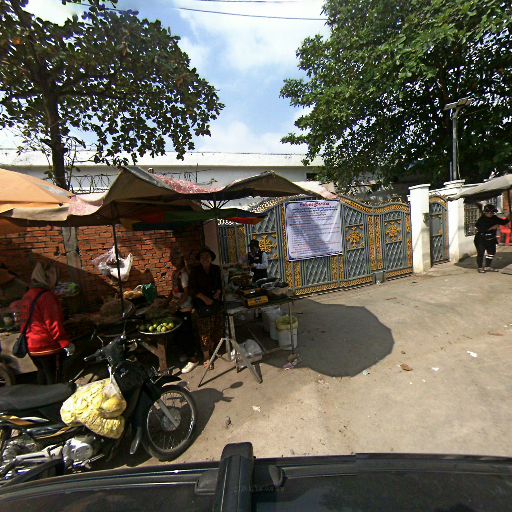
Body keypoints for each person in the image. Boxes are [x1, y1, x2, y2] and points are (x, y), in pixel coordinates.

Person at [19, 262, 74, 384]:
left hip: (31, 345)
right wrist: (65, 343)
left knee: (42, 373)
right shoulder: (47, 296)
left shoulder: (28, 294)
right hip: (47, 346)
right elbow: (53, 323)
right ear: (49, 277)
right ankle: (56, 396)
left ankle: (43, 395)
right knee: (54, 379)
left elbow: (23, 321)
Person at [189, 247, 224, 368]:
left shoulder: (216, 269)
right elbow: (192, 289)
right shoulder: (195, 271)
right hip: (201, 304)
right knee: (205, 331)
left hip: (215, 302)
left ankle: (214, 349)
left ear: (211, 258)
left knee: (217, 327)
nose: (205, 258)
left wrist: (218, 292)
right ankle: (206, 357)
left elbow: (220, 284)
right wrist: (204, 298)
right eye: (202, 257)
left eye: (207, 256)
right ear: (199, 259)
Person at [169, 254, 200, 374]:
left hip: (185, 307)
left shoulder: (184, 274)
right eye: (172, 259)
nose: (173, 261)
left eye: (175, 259)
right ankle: (185, 354)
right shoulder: (175, 273)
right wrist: (167, 302)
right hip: (177, 306)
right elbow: (173, 290)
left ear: (181, 260)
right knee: (180, 333)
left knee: (187, 334)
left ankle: (194, 359)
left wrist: (176, 305)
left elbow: (186, 293)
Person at [474, 204, 512, 273]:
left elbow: (503, 222)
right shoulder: (481, 219)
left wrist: (509, 217)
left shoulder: (495, 218)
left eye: (492, 212)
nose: (490, 213)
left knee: (491, 253)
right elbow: (480, 228)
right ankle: (480, 267)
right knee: (481, 253)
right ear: (485, 212)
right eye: (488, 212)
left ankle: (487, 266)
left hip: (491, 239)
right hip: (480, 239)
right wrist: (491, 228)